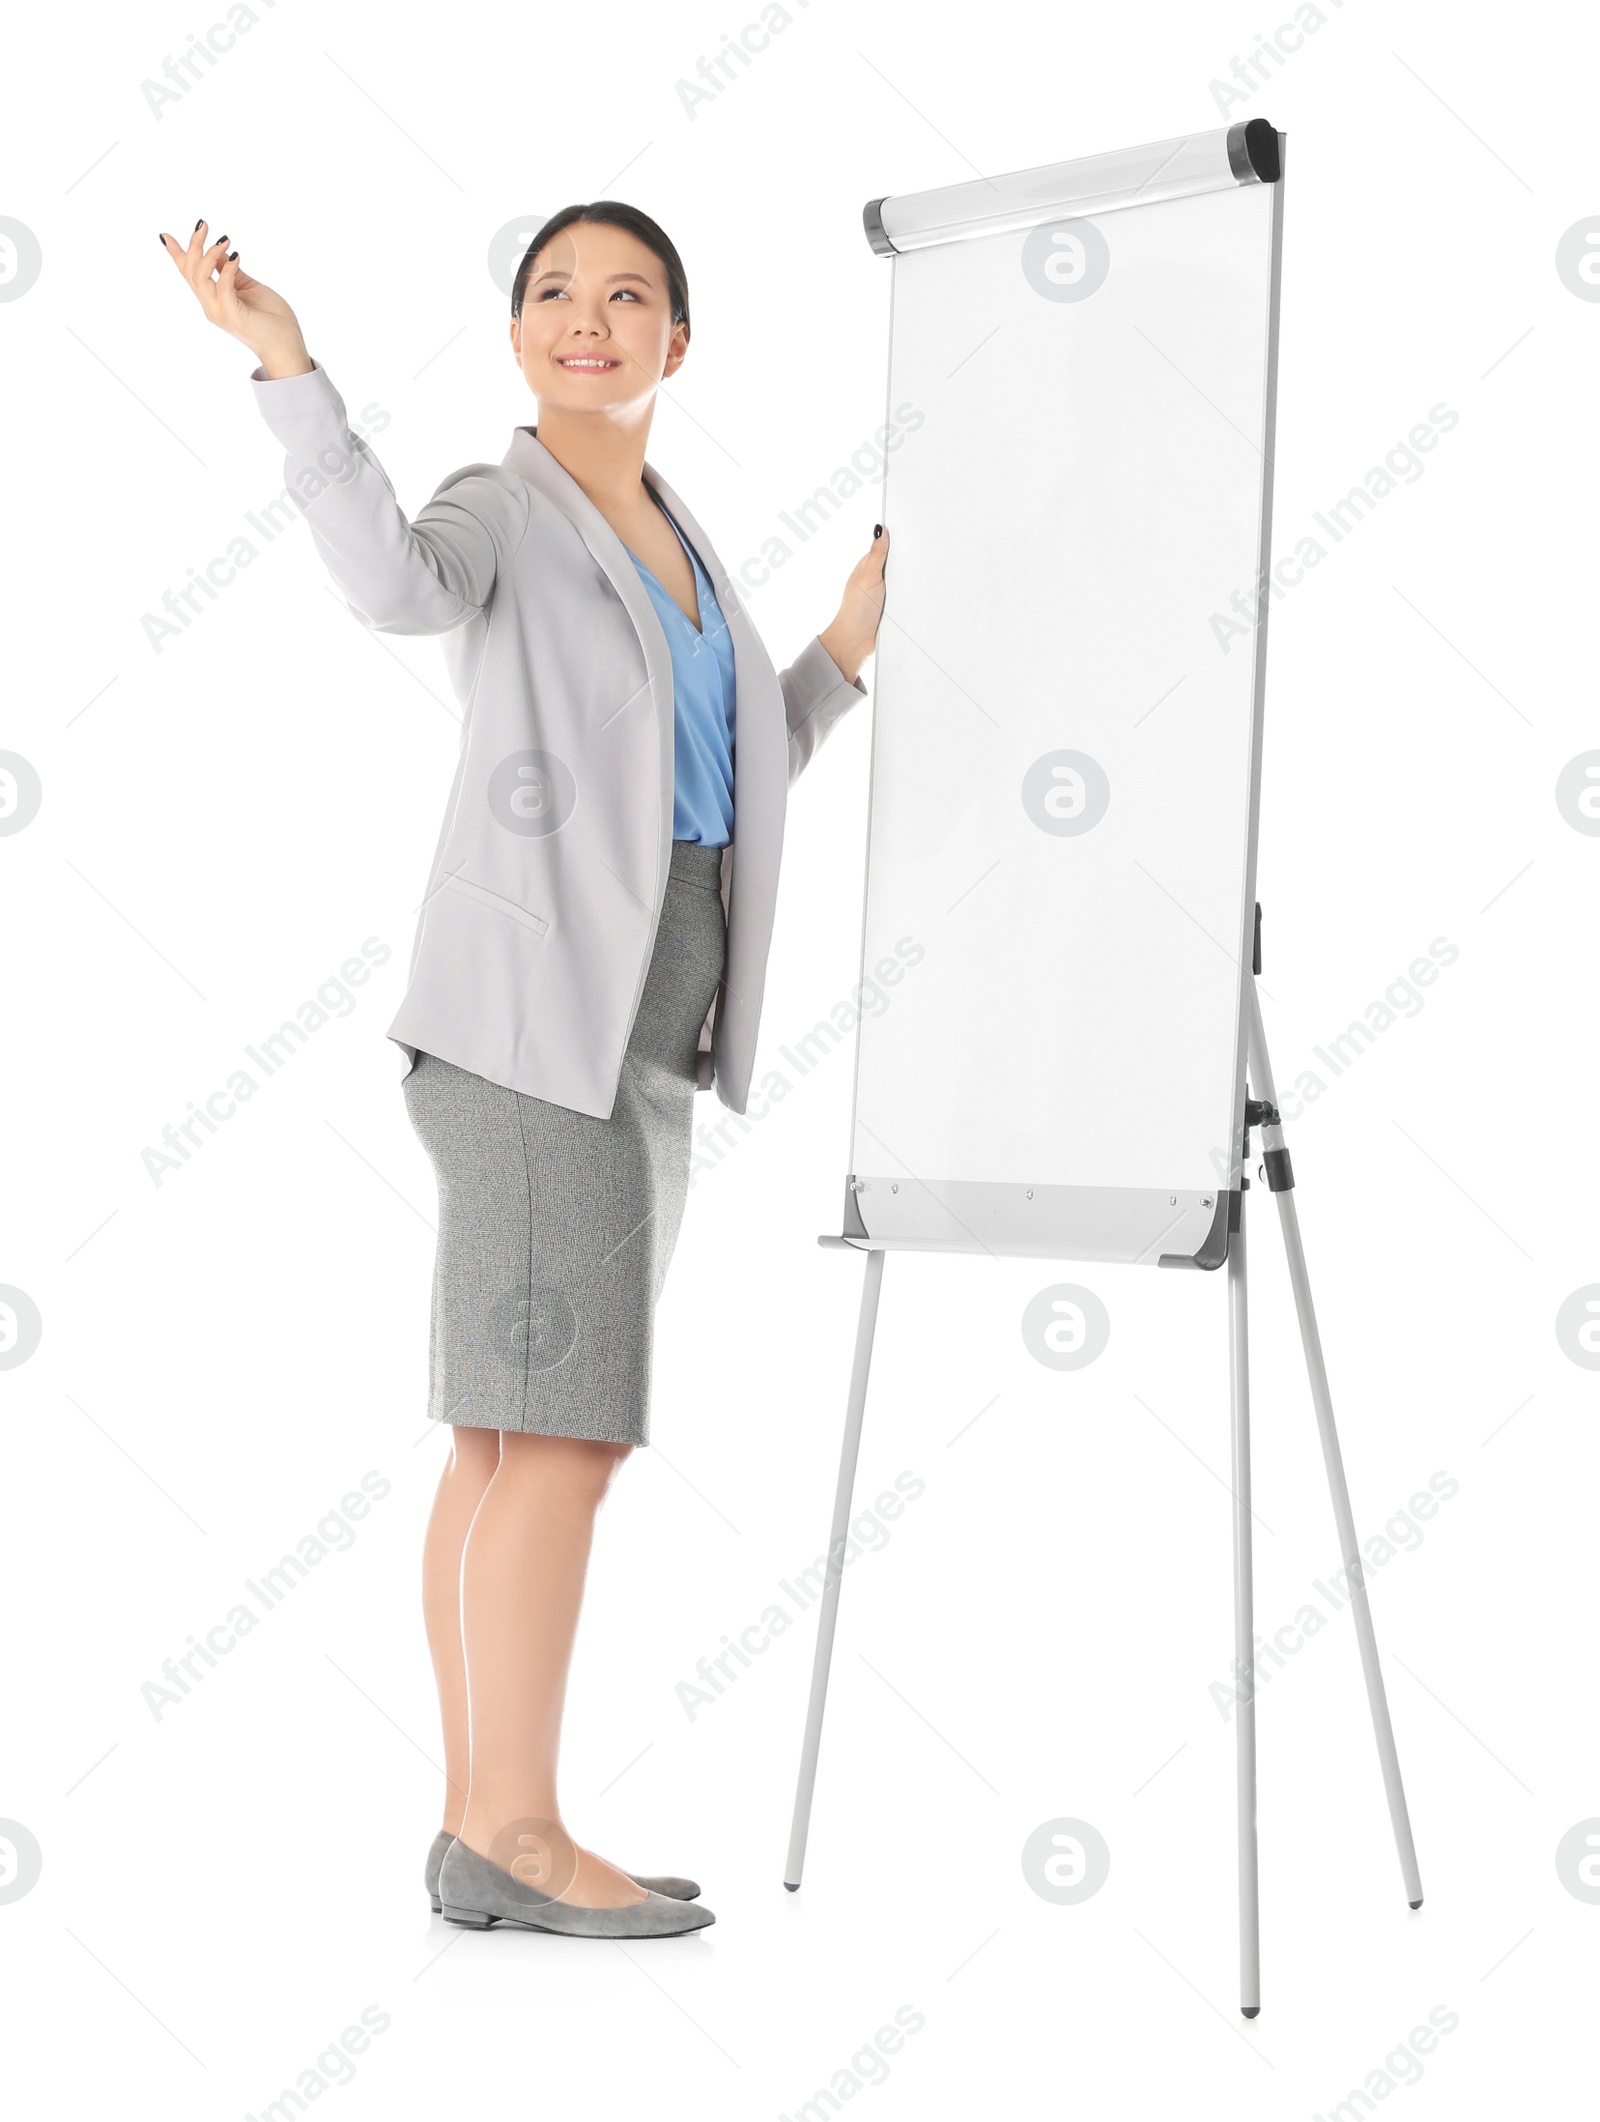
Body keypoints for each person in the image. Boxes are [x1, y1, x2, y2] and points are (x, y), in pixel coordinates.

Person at [160, 200, 886, 1938]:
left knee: (504, 1436)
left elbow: (719, 773)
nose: (590, 316)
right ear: (516, 338)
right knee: (565, 1437)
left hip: (634, 1034)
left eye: (630, 295)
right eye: (556, 291)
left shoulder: (684, 539)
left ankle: (479, 1821)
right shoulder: (506, 503)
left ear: (678, 346)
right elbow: (391, 585)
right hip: (532, 1033)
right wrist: (289, 371)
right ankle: (524, 1833)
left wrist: (841, 658)